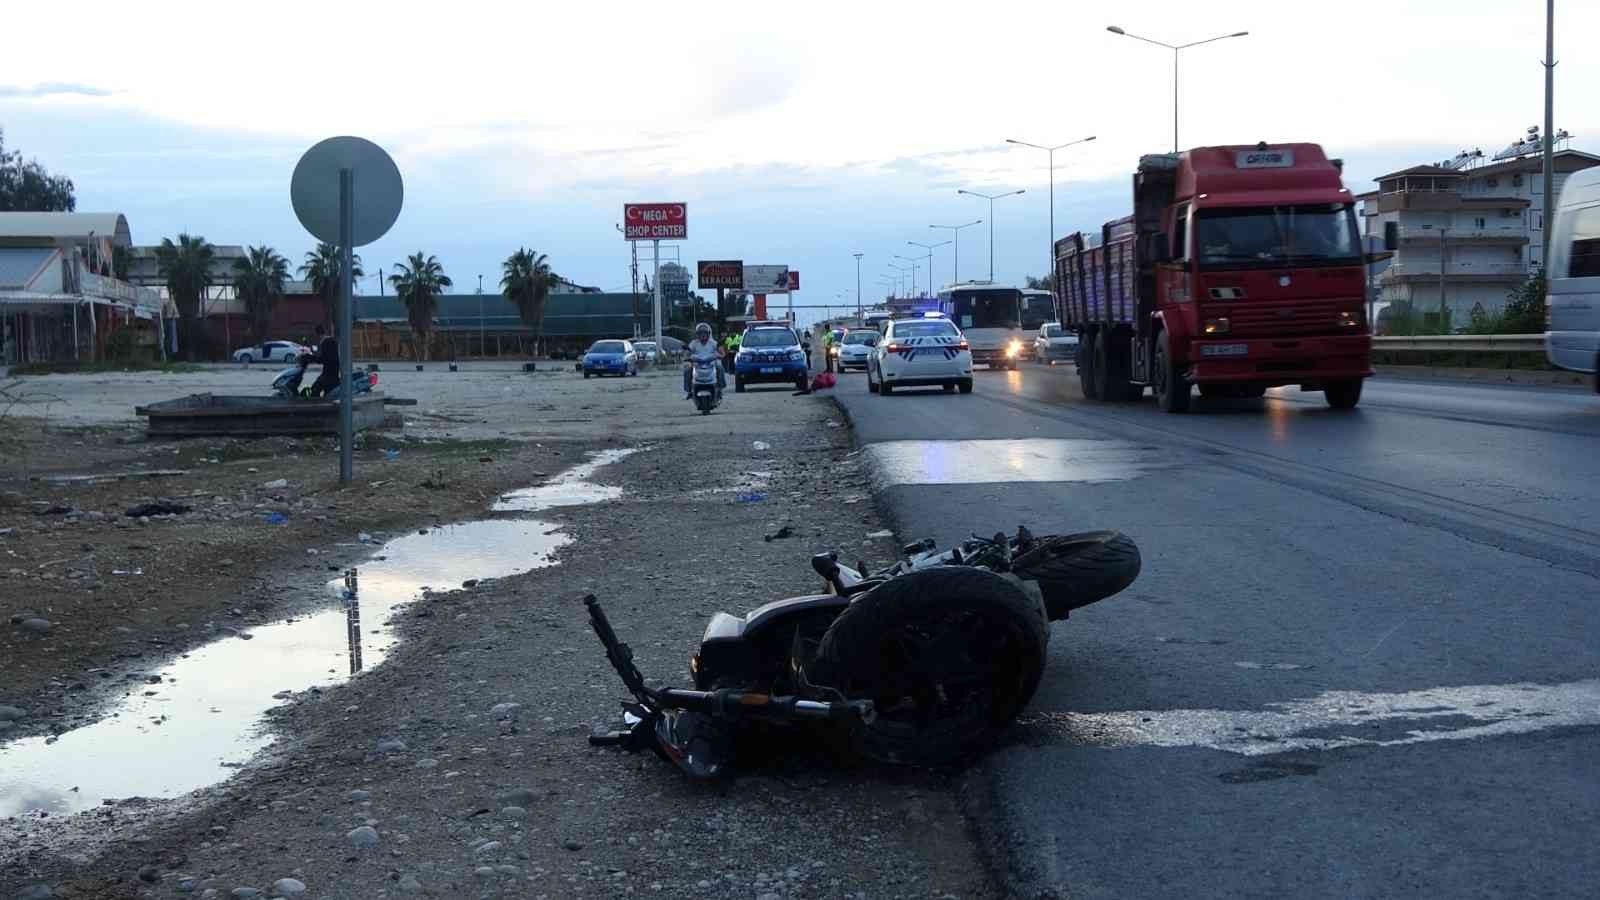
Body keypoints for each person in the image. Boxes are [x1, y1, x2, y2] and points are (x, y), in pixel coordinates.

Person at [683, 323, 725, 400]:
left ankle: (720, 388)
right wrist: (687, 357)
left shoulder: (713, 343)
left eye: (705, 333)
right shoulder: (694, 343)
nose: (703, 335)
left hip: (711, 363)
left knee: (720, 367)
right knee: (687, 369)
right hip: (697, 364)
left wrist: (720, 355)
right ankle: (689, 390)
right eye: (700, 333)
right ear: (697, 334)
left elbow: (721, 352)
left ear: (708, 334)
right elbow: (687, 352)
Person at [308, 324, 341, 398]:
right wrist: (314, 356)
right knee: (326, 391)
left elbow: (323, 358)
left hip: (329, 373)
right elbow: (325, 356)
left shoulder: (326, 342)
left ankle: (316, 405)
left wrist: (311, 358)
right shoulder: (329, 340)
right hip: (332, 371)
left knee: (315, 388)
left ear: (316, 334)